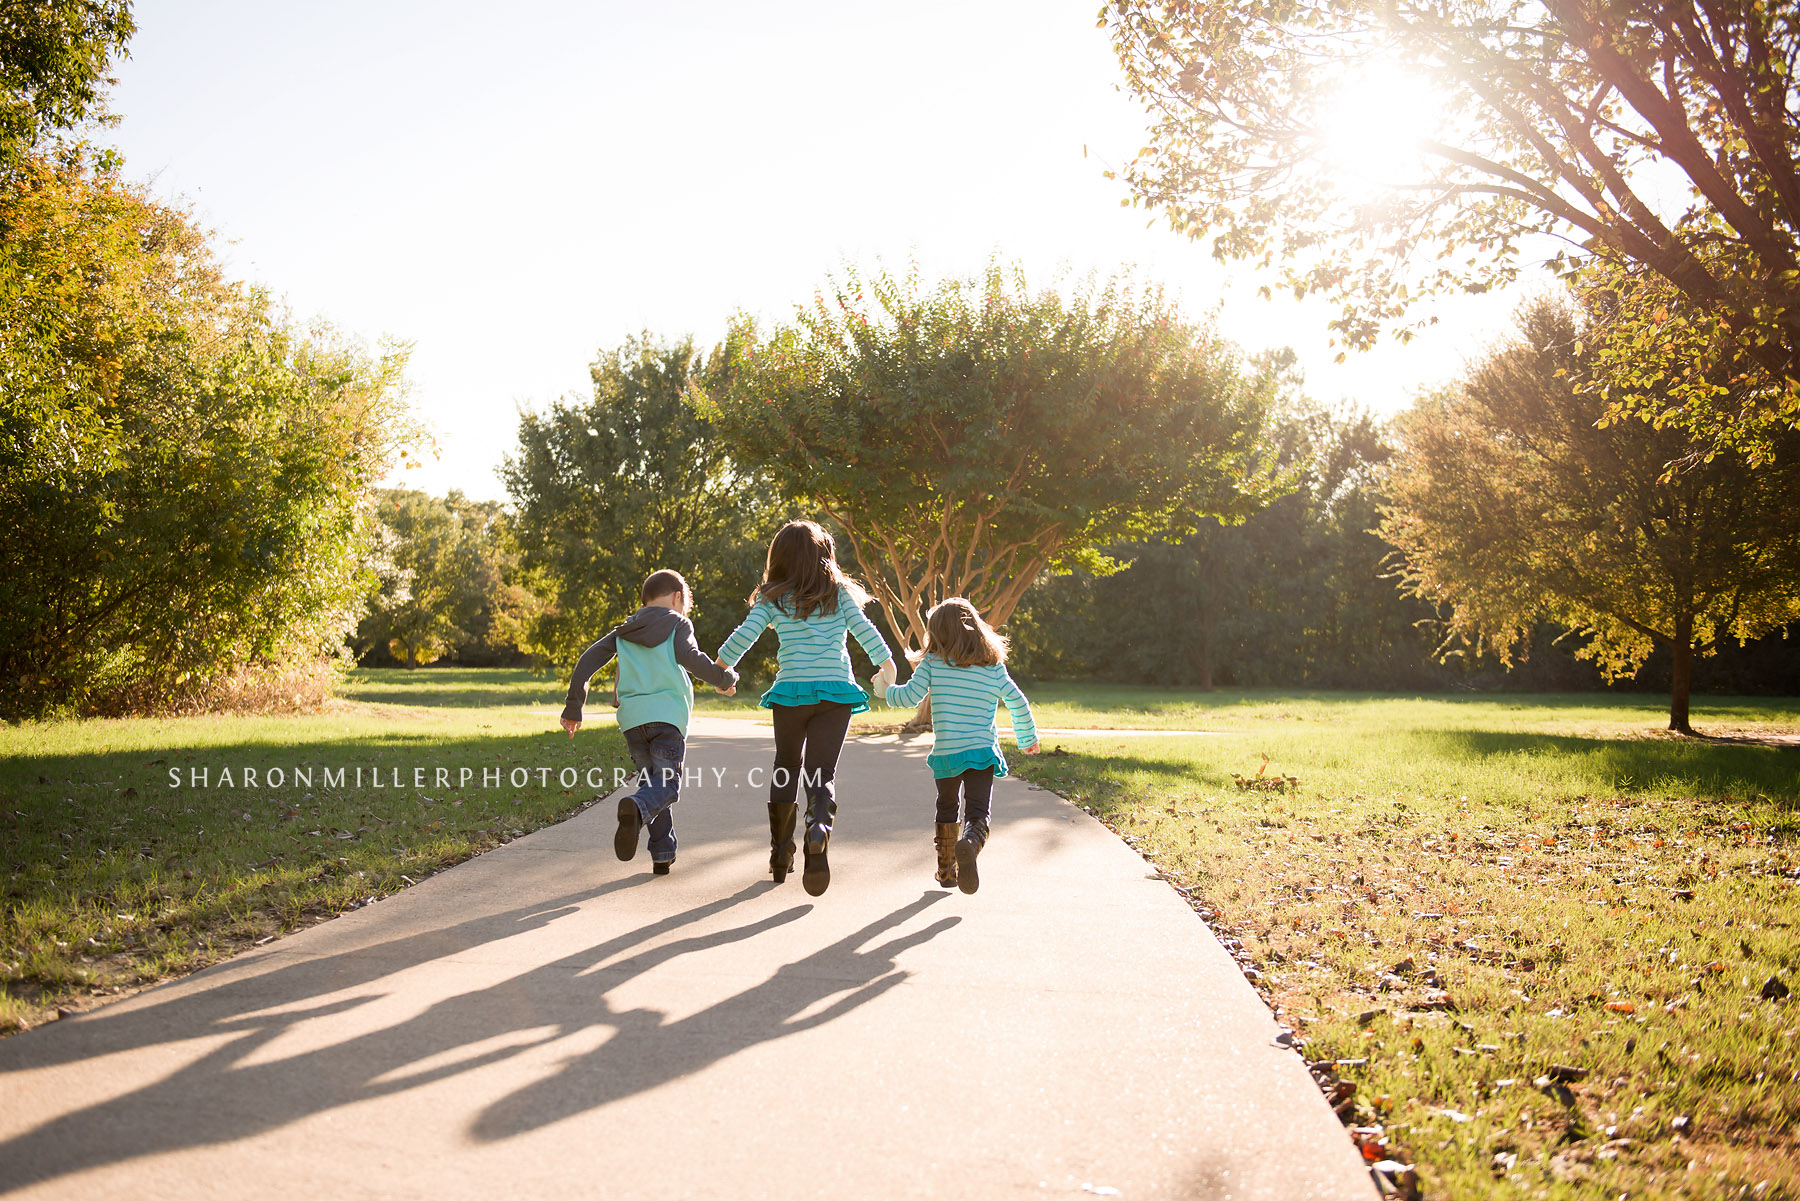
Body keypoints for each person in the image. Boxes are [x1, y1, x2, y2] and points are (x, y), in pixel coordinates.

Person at [716, 520, 897, 896]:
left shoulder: (773, 598)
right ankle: (819, 826)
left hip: (791, 693)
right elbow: (865, 631)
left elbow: (742, 637)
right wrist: (887, 666)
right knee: (821, 771)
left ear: (779, 559)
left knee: (785, 765)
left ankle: (780, 855)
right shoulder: (839, 594)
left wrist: (722, 670)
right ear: (824, 557)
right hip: (835, 693)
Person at [560, 569, 738, 876]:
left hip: (633, 722)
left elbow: (587, 661)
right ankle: (636, 808)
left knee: (652, 783)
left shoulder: (626, 630)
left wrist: (574, 706)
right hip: (667, 717)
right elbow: (692, 659)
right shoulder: (678, 623)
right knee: (665, 787)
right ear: (677, 597)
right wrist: (725, 678)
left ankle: (662, 852)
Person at [881, 597, 1038, 894]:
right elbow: (1017, 700)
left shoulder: (933, 664)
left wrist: (886, 691)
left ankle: (946, 870)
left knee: (947, 808)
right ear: (976, 630)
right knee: (978, 812)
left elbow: (909, 696)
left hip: (947, 753)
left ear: (937, 634)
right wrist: (1027, 738)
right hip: (981, 752)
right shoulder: (993, 667)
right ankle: (971, 843)